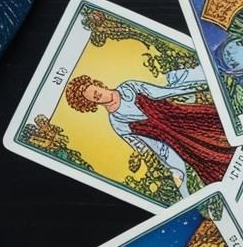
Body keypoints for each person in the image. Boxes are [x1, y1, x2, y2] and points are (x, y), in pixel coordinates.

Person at [64, 69, 233, 187]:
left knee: (217, 124)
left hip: (180, 116)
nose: (98, 95)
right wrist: (168, 165)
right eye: (94, 98)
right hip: (174, 140)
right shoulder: (117, 122)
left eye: (96, 91)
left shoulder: (128, 87)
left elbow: (159, 93)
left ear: (98, 84)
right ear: (92, 104)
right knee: (204, 160)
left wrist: (188, 88)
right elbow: (143, 145)